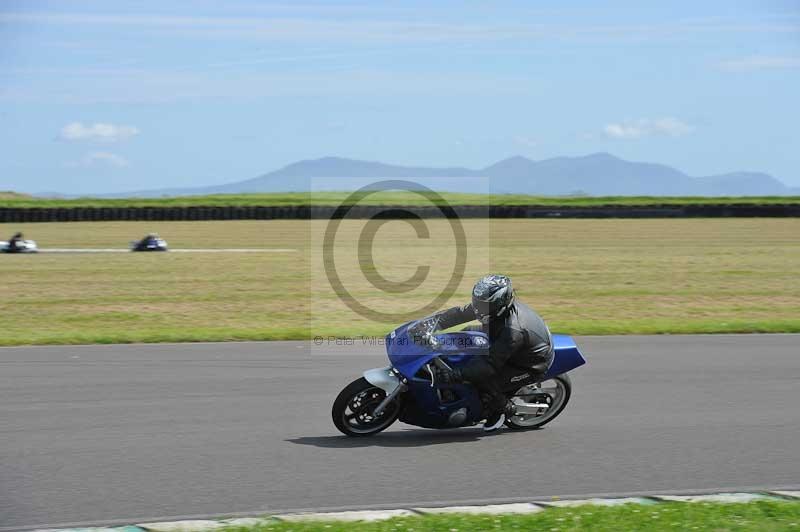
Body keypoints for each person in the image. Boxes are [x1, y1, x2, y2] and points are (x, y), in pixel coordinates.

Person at [412, 274, 554, 432]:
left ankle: (503, 409)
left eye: (482, 304)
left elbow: (489, 366)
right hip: (506, 340)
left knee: (482, 380)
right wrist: (427, 325)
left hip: (529, 363)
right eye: (477, 302)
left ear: (499, 303)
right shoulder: (491, 308)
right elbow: (457, 314)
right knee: (464, 334)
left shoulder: (512, 332)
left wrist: (454, 375)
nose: (477, 307)